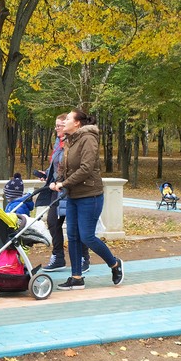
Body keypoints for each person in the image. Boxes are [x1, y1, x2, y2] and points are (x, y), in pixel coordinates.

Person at [50, 109, 123, 290]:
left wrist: (64, 183)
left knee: (87, 236)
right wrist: (58, 180)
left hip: (90, 195)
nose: (63, 121)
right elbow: (63, 166)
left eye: (67, 118)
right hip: (74, 195)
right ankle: (76, 277)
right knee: (73, 236)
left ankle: (115, 264)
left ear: (77, 123)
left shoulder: (88, 138)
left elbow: (86, 168)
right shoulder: (69, 140)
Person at [36, 114, 90, 273]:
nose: (57, 128)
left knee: (77, 226)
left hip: (72, 189)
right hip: (57, 189)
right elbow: (57, 164)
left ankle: (83, 257)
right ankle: (58, 257)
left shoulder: (76, 142)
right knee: (53, 222)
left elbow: (79, 166)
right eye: (56, 125)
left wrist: (65, 181)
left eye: (60, 125)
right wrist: (47, 174)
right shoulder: (57, 142)